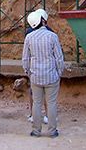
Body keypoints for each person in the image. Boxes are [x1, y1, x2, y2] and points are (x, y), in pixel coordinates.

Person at [22, 8, 65, 138]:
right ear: (43, 21)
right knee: (51, 103)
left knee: (36, 103)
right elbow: (59, 57)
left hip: (35, 76)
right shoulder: (52, 36)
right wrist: (59, 72)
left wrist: (29, 72)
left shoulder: (29, 37)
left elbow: (25, 58)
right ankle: (52, 131)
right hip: (51, 75)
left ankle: (36, 130)